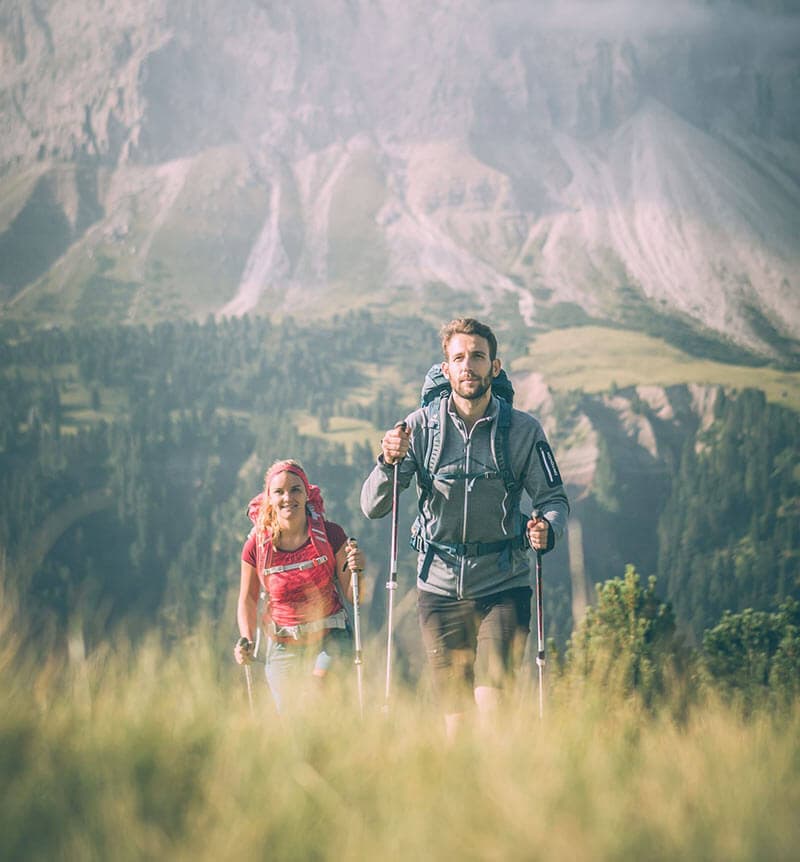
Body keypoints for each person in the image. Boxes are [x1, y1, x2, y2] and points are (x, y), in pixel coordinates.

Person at [361, 318, 569, 738]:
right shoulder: (418, 428)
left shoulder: (524, 431)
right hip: (437, 590)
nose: (468, 366)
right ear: (446, 367)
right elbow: (373, 506)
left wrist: (548, 528)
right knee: (456, 725)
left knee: (493, 708)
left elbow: (553, 499)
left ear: (495, 366)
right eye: (459, 358)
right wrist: (387, 462)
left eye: (477, 356)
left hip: (503, 585)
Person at [234, 459, 365, 713]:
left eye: (295, 489)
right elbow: (247, 599)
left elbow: (353, 594)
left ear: (307, 494)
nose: (287, 497)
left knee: (317, 695)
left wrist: (358, 570)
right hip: (283, 644)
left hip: (332, 638)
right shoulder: (256, 547)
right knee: (293, 722)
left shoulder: (331, 534)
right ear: (268, 498)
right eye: (279, 492)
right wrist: (247, 640)